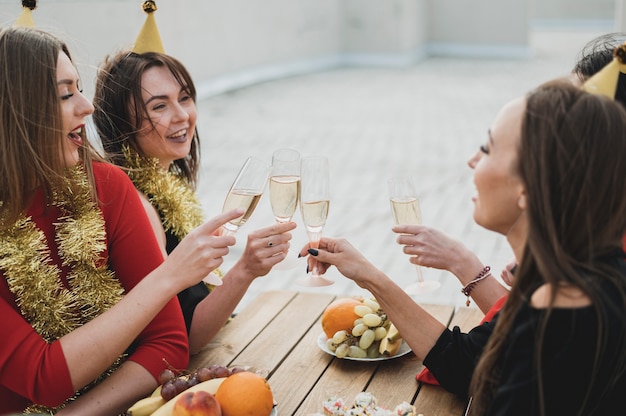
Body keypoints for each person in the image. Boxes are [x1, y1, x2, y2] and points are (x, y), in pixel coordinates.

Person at [301, 80, 626, 414]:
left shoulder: (552, 322)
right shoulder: (590, 281)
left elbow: (467, 366)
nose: (473, 160)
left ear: (530, 186)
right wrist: (368, 274)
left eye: (486, 148)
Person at [0, 26, 243, 415]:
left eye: (79, 87)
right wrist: (168, 277)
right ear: (14, 110)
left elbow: (168, 344)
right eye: (65, 94)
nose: (86, 106)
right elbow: (41, 377)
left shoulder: (108, 187)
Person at [92, 8, 295, 354]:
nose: (183, 115)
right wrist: (245, 269)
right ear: (120, 121)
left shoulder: (167, 183)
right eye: (159, 106)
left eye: (184, 98)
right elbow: (184, 340)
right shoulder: (139, 206)